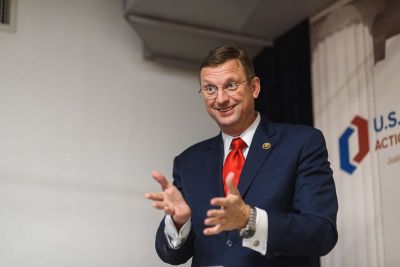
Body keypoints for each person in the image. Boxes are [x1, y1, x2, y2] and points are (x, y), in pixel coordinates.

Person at [145, 45, 338, 267]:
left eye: (231, 85)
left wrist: (250, 221)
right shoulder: (188, 162)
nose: (220, 99)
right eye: (209, 89)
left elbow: (321, 234)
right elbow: (172, 256)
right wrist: (180, 221)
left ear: (254, 87)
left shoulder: (301, 143)